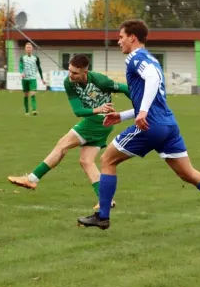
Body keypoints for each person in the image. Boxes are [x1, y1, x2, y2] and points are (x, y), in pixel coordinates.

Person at [77, 19, 200, 240]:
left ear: (132, 38)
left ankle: (103, 216)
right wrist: (124, 115)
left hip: (151, 126)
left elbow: (152, 80)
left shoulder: (135, 58)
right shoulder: (151, 58)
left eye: (121, 36)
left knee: (107, 160)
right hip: (168, 125)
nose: (118, 41)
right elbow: (153, 94)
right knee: (189, 173)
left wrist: (142, 112)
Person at [8, 54, 129, 209]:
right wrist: (98, 109)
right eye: (69, 71)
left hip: (98, 121)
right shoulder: (69, 82)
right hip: (96, 120)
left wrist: (141, 109)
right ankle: (106, 200)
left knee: (62, 145)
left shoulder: (100, 80)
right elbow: (78, 110)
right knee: (86, 161)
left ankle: (32, 179)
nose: (70, 75)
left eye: (74, 73)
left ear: (85, 71)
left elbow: (125, 88)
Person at [19, 43, 46, 115]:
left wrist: (42, 78)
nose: (28, 49)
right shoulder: (22, 58)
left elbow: (39, 68)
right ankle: (27, 111)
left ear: (32, 49)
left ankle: (34, 110)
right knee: (25, 95)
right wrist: (21, 72)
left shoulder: (36, 58)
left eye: (29, 47)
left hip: (33, 78)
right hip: (25, 79)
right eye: (27, 47)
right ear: (25, 49)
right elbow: (21, 66)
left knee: (33, 93)